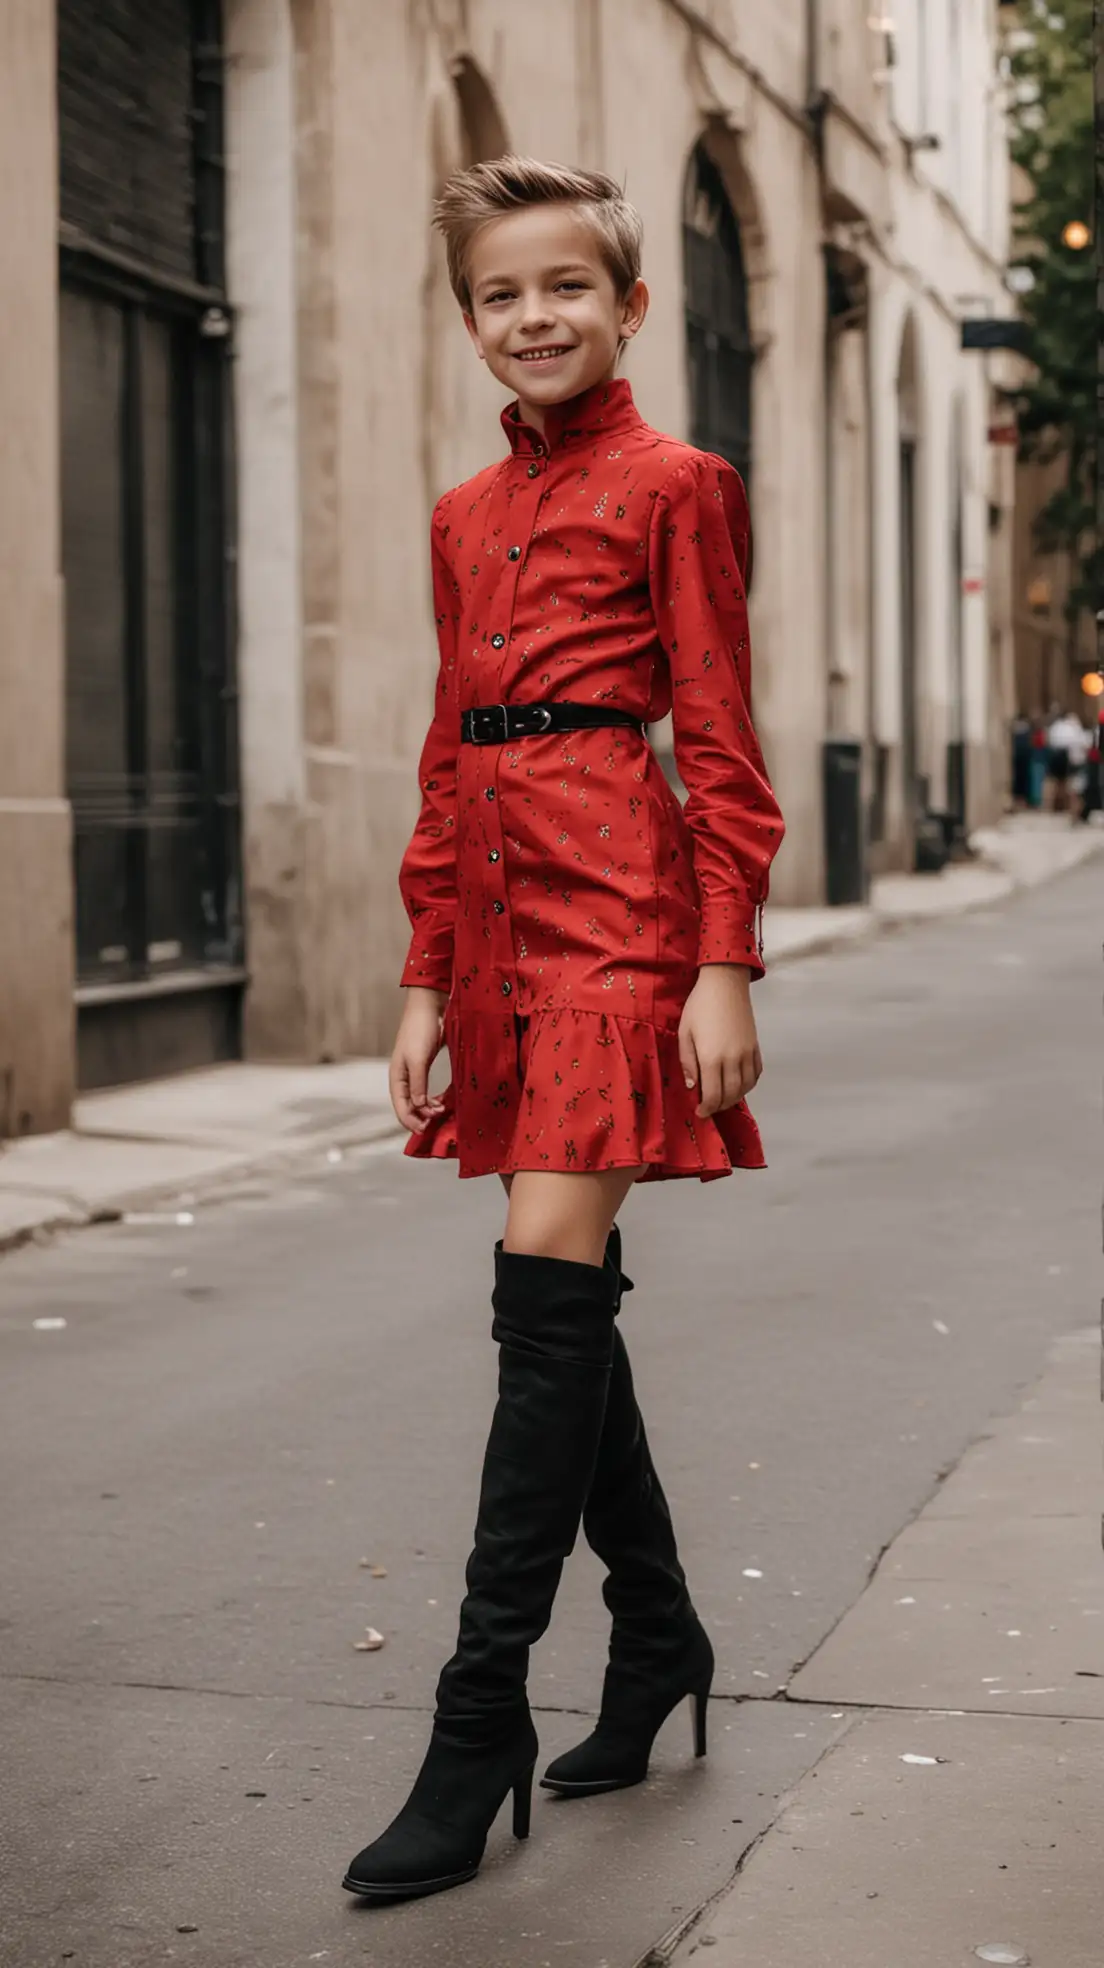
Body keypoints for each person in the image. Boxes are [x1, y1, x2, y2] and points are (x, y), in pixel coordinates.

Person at [342, 157, 784, 1906]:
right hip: (502, 930)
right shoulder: (460, 517)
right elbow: (452, 755)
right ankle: (658, 1635)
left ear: (630, 308)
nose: (535, 318)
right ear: (470, 324)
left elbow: (725, 736)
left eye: (565, 290)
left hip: (625, 920)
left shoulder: (682, 487)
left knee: (541, 1297)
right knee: (564, 1299)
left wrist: (724, 960)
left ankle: (475, 1724)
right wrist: (424, 978)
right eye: (500, 296)